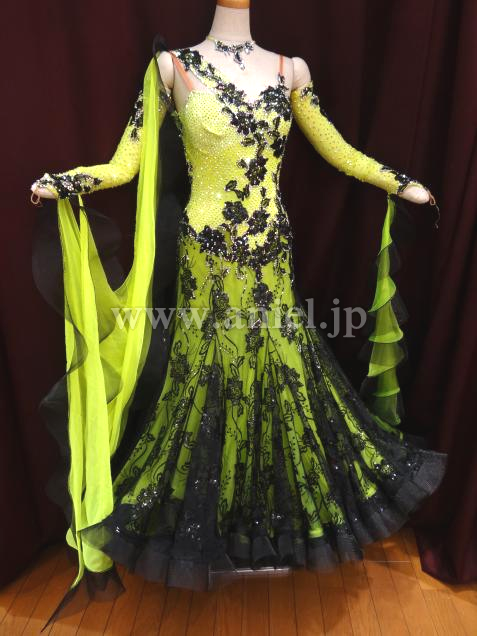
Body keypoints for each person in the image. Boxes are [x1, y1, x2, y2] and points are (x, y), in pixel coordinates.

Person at [31, 0, 446, 628]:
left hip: (271, 253)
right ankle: (213, 520)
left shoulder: (289, 70)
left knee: (283, 376)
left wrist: (398, 181)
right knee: (206, 379)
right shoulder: (171, 68)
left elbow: (336, 148)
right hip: (206, 258)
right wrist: (70, 181)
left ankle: (271, 520)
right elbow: (126, 163)